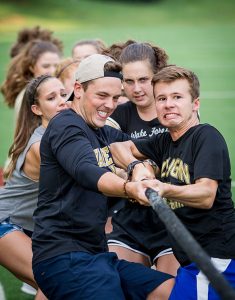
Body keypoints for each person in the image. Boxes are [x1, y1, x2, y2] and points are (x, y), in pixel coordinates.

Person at [32, 54, 174, 300]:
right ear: (78, 89)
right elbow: (87, 172)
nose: (109, 105)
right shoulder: (66, 126)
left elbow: (141, 148)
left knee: (169, 291)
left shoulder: (103, 131)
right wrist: (130, 188)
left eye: (116, 98)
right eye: (101, 96)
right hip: (63, 255)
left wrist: (141, 166)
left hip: (97, 254)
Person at [109, 65, 235, 299]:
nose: (168, 104)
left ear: (195, 103)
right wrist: (136, 167)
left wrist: (163, 187)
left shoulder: (206, 137)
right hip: (191, 260)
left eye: (177, 97)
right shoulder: (164, 141)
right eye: (162, 98)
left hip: (216, 260)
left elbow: (207, 195)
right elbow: (118, 147)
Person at [106, 41, 179, 279]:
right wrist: (134, 169)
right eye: (129, 81)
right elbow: (111, 158)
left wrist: (151, 167)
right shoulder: (116, 114)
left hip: (172, 216)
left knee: (172, 288)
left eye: (143, 80)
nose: (136, 88)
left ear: (156, 75)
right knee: (116, 280)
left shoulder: (175, 108)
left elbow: (179, 158)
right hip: (129, 217)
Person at [0, 74, 68, 300]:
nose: (61, 100)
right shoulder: (41, 146)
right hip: (6, 223)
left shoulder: (63, 133)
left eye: (63, 94)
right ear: (37, 109)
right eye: (51, 98)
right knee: (56, 282)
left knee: (60, 285)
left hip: (32, 227)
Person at [1, 39, 62, 120]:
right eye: (46, 66)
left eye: (56, 66)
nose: (52, 71)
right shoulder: (29, 96)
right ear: (32, 67)